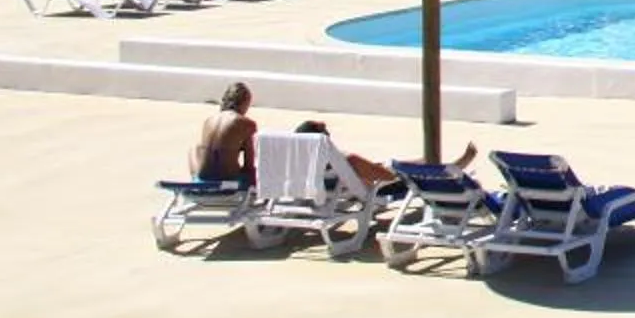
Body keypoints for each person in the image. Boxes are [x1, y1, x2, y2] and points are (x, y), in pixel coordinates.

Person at [292, 118, 475, 195]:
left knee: (401, 163)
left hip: (338, 184)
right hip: (374, 185)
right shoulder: (349, 160)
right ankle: (450, 168)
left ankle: (432, 161)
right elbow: (388, 177)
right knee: (405, 169)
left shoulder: (301, 162)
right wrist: (397, 171)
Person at [192, 82, 256, 185]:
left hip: (204, 177)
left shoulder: (209, 120)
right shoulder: (247, 124)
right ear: (245, 102)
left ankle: (196, 180)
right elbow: (249, 165)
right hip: (228, 180)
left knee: (194, 149)